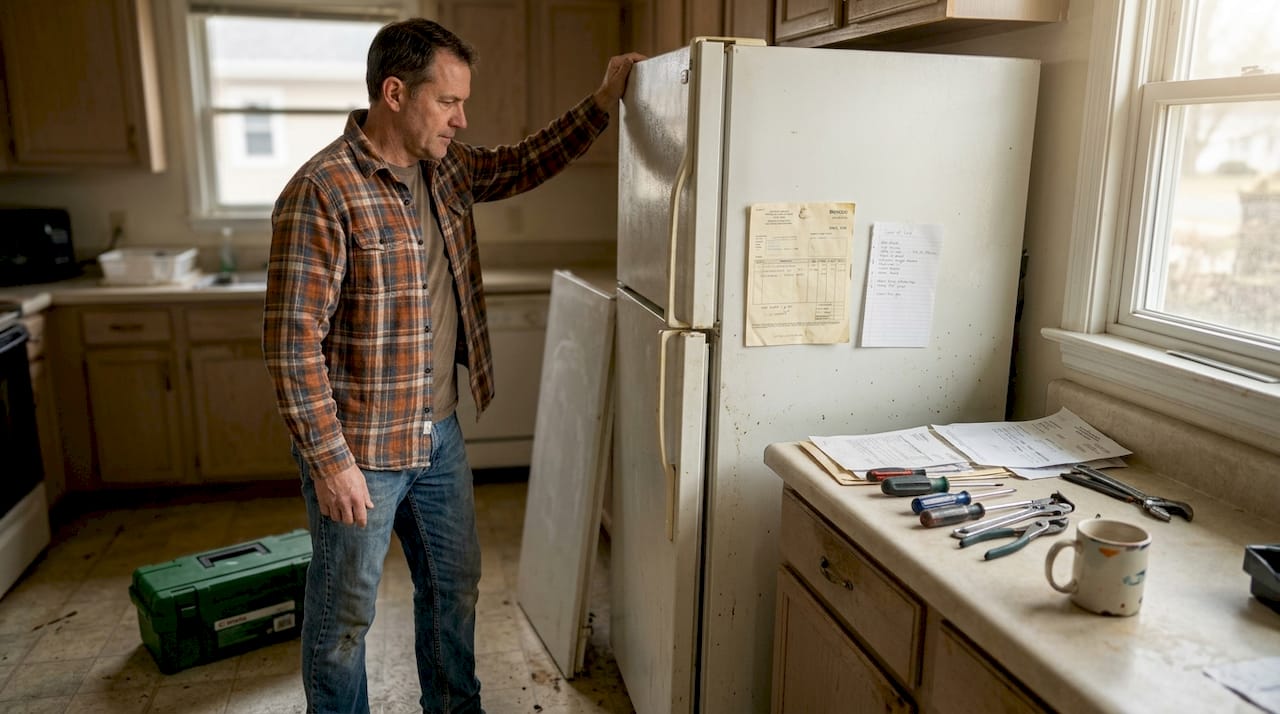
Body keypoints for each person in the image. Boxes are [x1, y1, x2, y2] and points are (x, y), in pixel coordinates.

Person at [262, 18, 642, 714]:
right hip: (363, 452)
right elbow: (292, 344)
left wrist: (600, 104)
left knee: (453, 589)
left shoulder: (448, 169)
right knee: (345, 618)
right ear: (396, 93)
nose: (462, 120)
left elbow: (524, 161)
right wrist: (330, 462)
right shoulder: (322, 191)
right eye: (449, 103)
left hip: (438, 436)